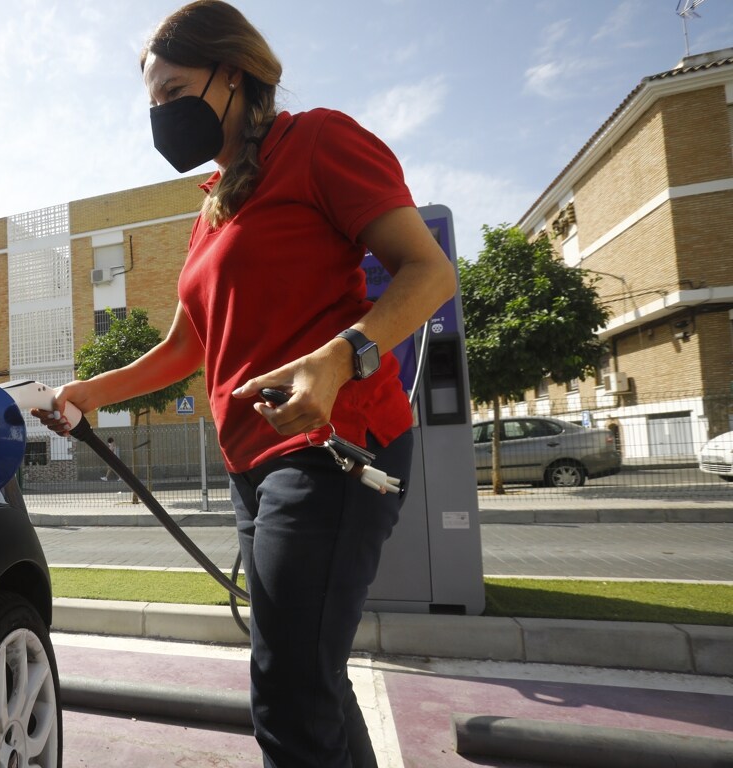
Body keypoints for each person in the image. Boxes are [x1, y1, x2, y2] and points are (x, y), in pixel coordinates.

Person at [31, 2, 456, 765]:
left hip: (335, 445)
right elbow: (183, 347)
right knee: (309, 676)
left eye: (173, 90)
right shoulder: (213, 208)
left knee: (286, 688)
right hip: (251, 466)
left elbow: (429, 274)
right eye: (153, 101)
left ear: (235, 75)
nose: (161, 114)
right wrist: (92, 391)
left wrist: (341, 356)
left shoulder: (320, 140)